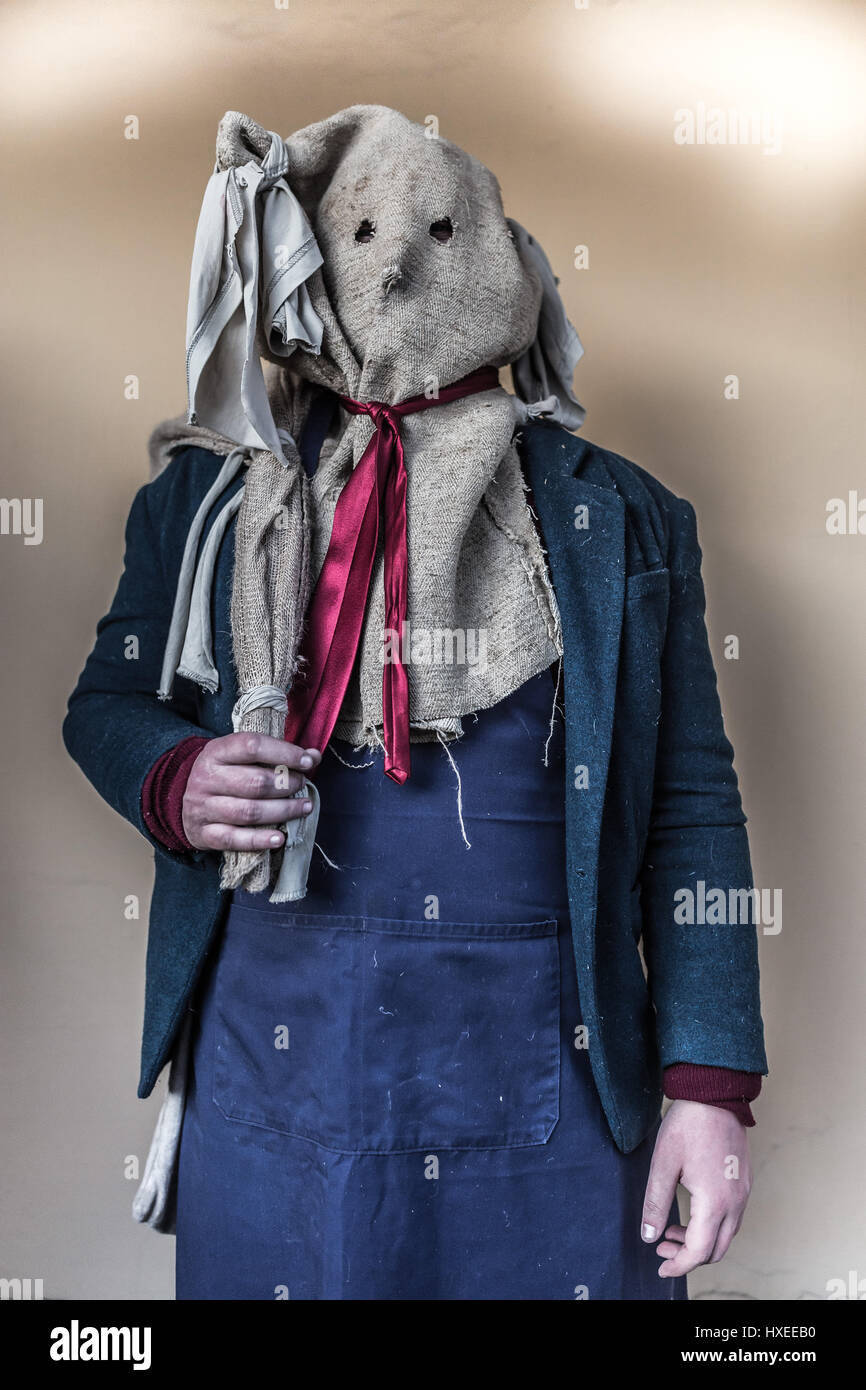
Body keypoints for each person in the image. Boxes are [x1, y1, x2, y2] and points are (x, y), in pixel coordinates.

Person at [63, 105, 767, 1301]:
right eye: (364, 234)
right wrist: (172, 779)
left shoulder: (624, 519)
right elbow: (107, 704)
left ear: (499, 255)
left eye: (436, 233)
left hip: (555, 1057)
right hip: (271, 1052)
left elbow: (692, 806)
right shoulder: (204, 502)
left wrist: (708, 1087)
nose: (395, 266)